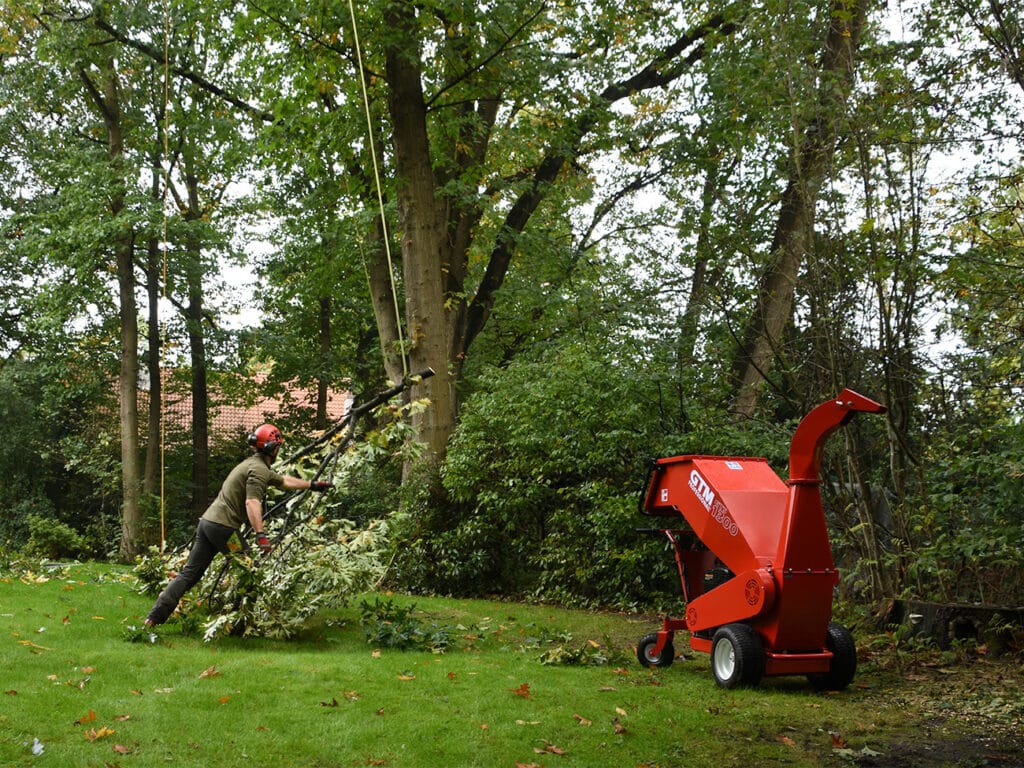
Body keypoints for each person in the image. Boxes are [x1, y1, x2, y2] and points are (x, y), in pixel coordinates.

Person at [143, 423, 331, 627]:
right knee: (249, 571)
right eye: (277, 446)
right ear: (272, 448)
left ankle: (153, 619)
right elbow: (252, 502)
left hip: (208, 524)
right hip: (224, 530)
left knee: (188, 575)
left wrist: (312, 485)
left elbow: (284, 481)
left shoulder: (253, 465)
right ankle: (240, 624)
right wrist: (261, 535)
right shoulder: (258, 471)